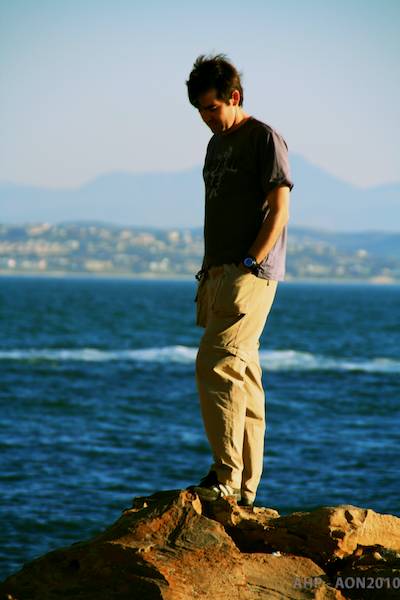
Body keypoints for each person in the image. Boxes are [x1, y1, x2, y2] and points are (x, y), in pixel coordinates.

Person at [185, 54, 294, 508]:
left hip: (249, 273)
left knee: (216, 364)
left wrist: (251, 262)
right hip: (217, 273)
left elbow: (279, 210)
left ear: (234, 96)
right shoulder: (216, 146)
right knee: (243, 377)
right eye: (200, 111)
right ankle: (244, 492)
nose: (206, 118)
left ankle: (225, 477)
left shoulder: (263, 138)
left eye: (212, 108)